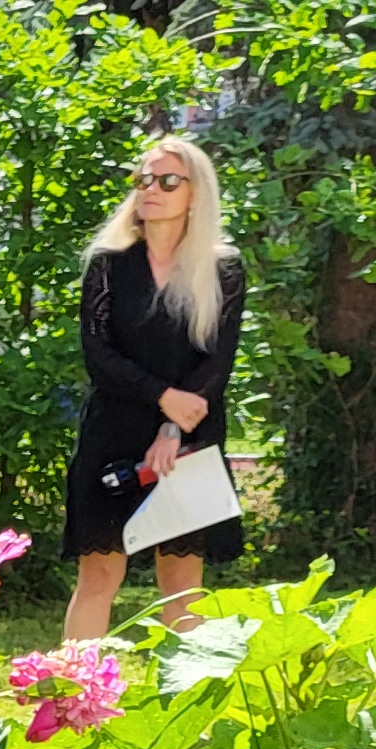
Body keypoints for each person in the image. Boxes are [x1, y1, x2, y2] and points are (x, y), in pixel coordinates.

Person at [62, 131, 245, 635]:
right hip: (112, 433)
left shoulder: (223, 269)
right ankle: (74, 699)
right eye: (144, 178)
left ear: (195, 193)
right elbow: (98, 356)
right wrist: (163, 398)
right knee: (98, 572)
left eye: (168, 180)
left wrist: (172, 430)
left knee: (182, 579)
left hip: (189, 435)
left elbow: (217, 361)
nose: (152, 189)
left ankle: (183, 703)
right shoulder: (109, 265)